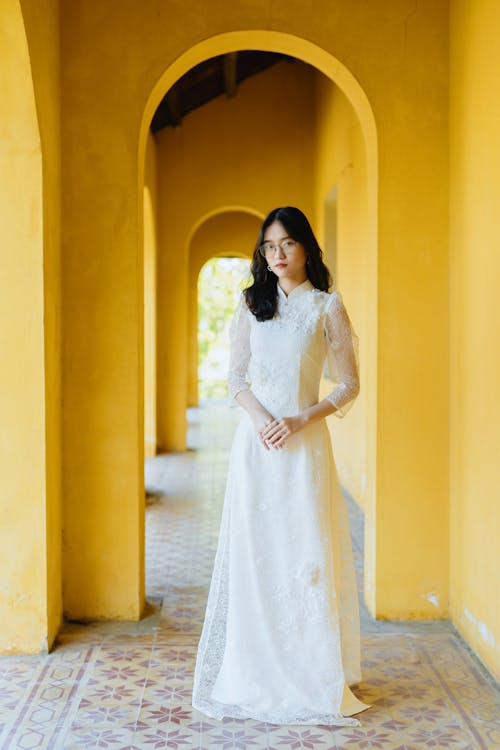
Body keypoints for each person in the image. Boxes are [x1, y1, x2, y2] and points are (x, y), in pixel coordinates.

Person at [192, 206, 371, 726]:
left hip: (303, 446)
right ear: (262, 253)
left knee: (303, 551)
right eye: (269, 246)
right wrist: (263, 421)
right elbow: (235, 378)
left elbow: (349, 384)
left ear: (305, 248)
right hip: (256, 447)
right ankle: (255, 667)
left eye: (287, 243)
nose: (278, 254)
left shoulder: (326, 307)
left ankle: (310, 670)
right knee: (258, 551)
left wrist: (297, 420)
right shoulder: (252, 305)